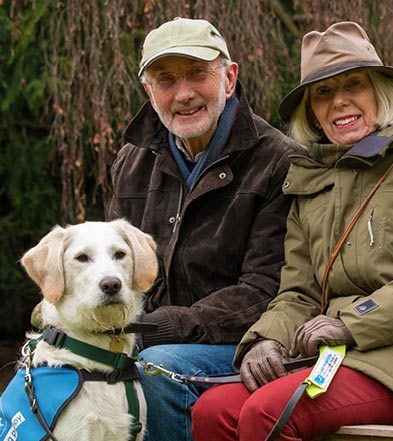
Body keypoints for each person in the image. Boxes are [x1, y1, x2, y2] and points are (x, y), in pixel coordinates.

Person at [190, 21, 393, 441]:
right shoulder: (313, 182)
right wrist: (265, 340)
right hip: (340, 358)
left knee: (269, 413)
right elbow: (299, 292)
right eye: (323, 93)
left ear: (380, 92)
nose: (340, 102)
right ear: (310, 110)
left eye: (354, 85)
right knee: (212, 410)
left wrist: (352, 323)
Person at [105, 17, 304, 441]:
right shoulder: (131, 161)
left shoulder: (278, 162)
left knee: (157, 366)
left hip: (247, 343)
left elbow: (266, 290)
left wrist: (165, 327)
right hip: (151, 335)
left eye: (198, 74)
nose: (184, 94)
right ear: (149, 92)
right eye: (166, 80)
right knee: (53, 362)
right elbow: (114, 266)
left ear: (229, 78)